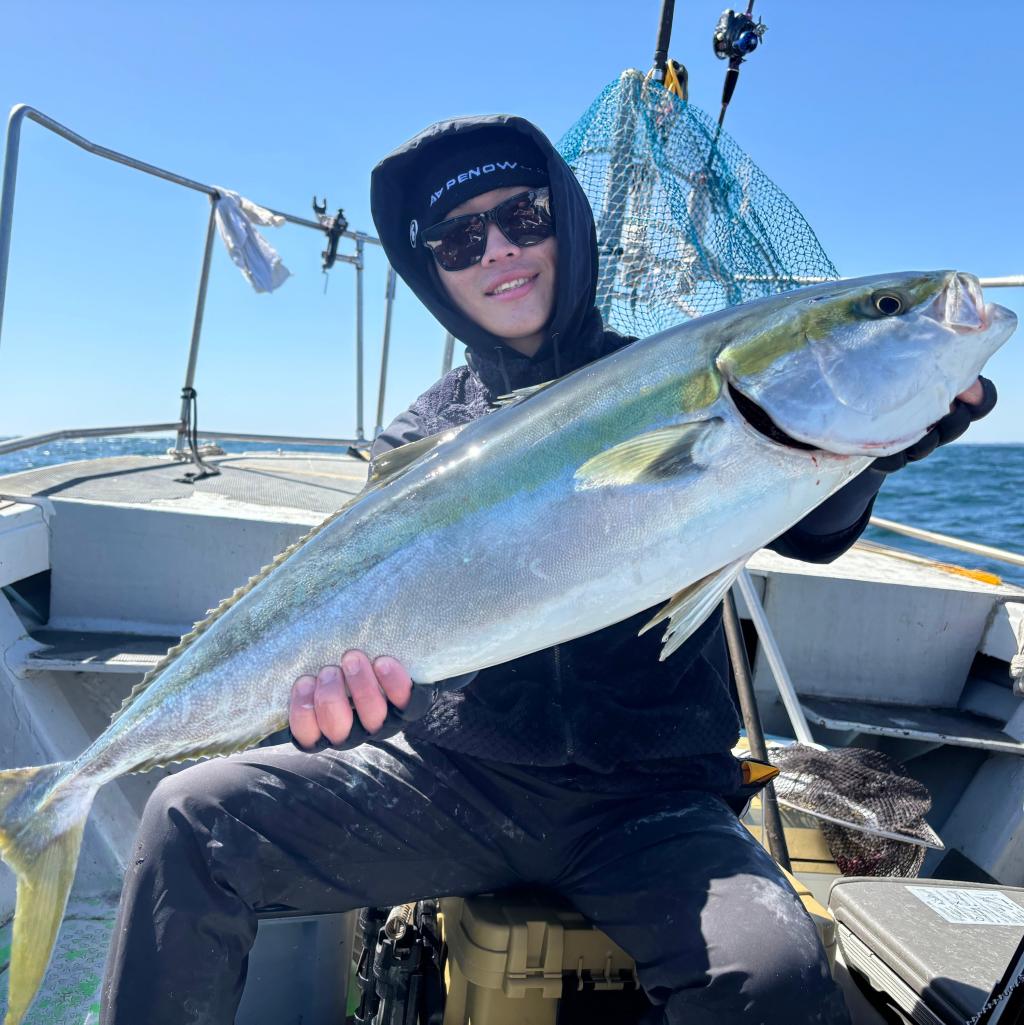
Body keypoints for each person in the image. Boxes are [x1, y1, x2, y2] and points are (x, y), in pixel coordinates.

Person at [100, 116, 996, 1025]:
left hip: (652, 802)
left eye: (523, 217)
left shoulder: (663, 376)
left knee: (778, 981)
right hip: (455, 782)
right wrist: (365, 702)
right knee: (189, 819)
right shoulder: (424, 438)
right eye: (458, 238)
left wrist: (875, 451)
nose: (496, 251)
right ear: (433, 271)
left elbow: (811, 528)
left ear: (566, 220)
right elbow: (410, 642)